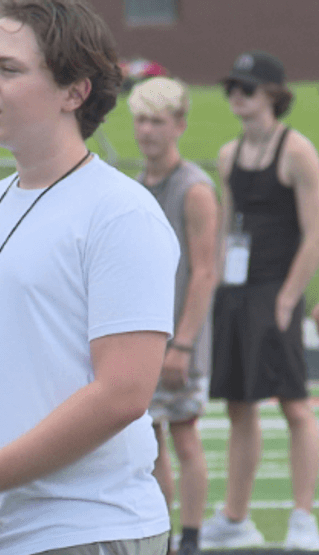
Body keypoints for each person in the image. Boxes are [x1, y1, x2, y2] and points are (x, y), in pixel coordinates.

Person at [0, 1, 179, 554]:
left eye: (9, 69)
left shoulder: (120, 211)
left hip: (84, 530)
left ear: (74, 91)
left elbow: (123, 392)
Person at [200, 50, 319, 550]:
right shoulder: (228, 156)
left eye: (246, 89)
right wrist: (212, 292)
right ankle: (235, 517)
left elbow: (315, 234)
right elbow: (226, 230)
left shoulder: (297, 151)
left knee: (294, 406)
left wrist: (289, 298)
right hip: (237, 291)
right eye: (232, 88)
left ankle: (301, 517)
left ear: (272, 95)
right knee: (239, 407)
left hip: (276, 291)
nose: (236, 97)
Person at [129, 76, 218, 555]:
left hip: (181, 335)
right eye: (141, 120)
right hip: (147, 334)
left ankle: (192, 537)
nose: (147, 131)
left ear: (179, 125)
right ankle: (162, 534)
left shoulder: (195, 189)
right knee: (151, 442)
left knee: (185, 437)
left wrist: (183, 343)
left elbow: (205, 272)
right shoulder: (138, 185)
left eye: (158, 121)